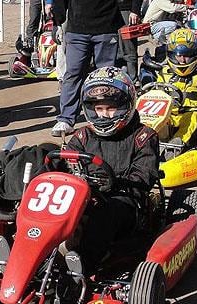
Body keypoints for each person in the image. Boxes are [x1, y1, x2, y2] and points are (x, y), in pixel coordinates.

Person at [63, 66, 160, 275]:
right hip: (83, 196)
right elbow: (66, 161)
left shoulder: (143, 137)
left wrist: (113, 184)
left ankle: (81, 268)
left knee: (104, 215)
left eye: (110, 108)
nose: (104, 115)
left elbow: (143, 178)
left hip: (124, 202)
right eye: (98, 109)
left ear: (126, 105)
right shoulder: (83, 136)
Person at [50, 0, 125, 137]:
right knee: (73, 74)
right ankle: (66, 118)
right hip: (77, 29)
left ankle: (104, 116)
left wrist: (135, 10)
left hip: (107, 26)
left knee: (105, 76)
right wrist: (57, 22)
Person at [157, 29, 197, 145]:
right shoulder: (164, 73)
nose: (182, 61)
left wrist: (186, 105)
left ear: (195, 54)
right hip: (169, 115)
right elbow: (157, 93)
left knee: (192, 117)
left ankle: (175, 146)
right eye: (178, 56)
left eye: (187, 56)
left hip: (191, 117)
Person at [117, 0, 144, 82]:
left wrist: (135, 11)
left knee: (129, 48)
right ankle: (117, 79)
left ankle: (132, 80)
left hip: (125, 10)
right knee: (114, 50)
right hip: (108, 12)